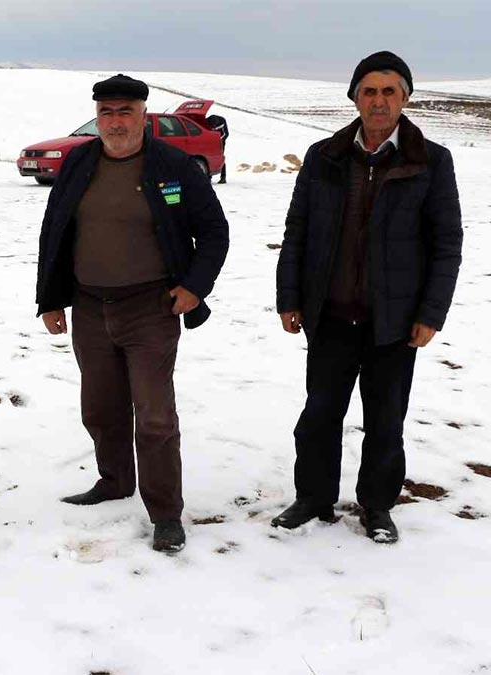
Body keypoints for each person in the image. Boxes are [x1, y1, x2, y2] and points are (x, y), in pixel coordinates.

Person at [273, 51, 463, 543]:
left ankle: (377, 507)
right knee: (319, 415)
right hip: (331, 315)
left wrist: (431, 313)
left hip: (394, 323)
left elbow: (446, 244)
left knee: (385, 421)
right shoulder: (324, 156)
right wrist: (289, 296)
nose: (379, 101)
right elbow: (297, 231)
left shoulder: (431, 161)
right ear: (355, 97)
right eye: (369, 91)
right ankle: (313, 498)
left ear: (405, 99)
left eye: (389, 92)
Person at [36, 74, 230, 553]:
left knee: (155, 416)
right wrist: (50, 299)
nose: (115, 122)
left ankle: (165, 513)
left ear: (144, 115)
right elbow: (54, 229)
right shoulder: (79, 161)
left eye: (125, 111)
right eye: (107, 112)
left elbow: (213, 231)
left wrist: (195, 286)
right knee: (101, 408)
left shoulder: (173, 165)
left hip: (150, 308)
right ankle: (115, 480)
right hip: (89, 305)